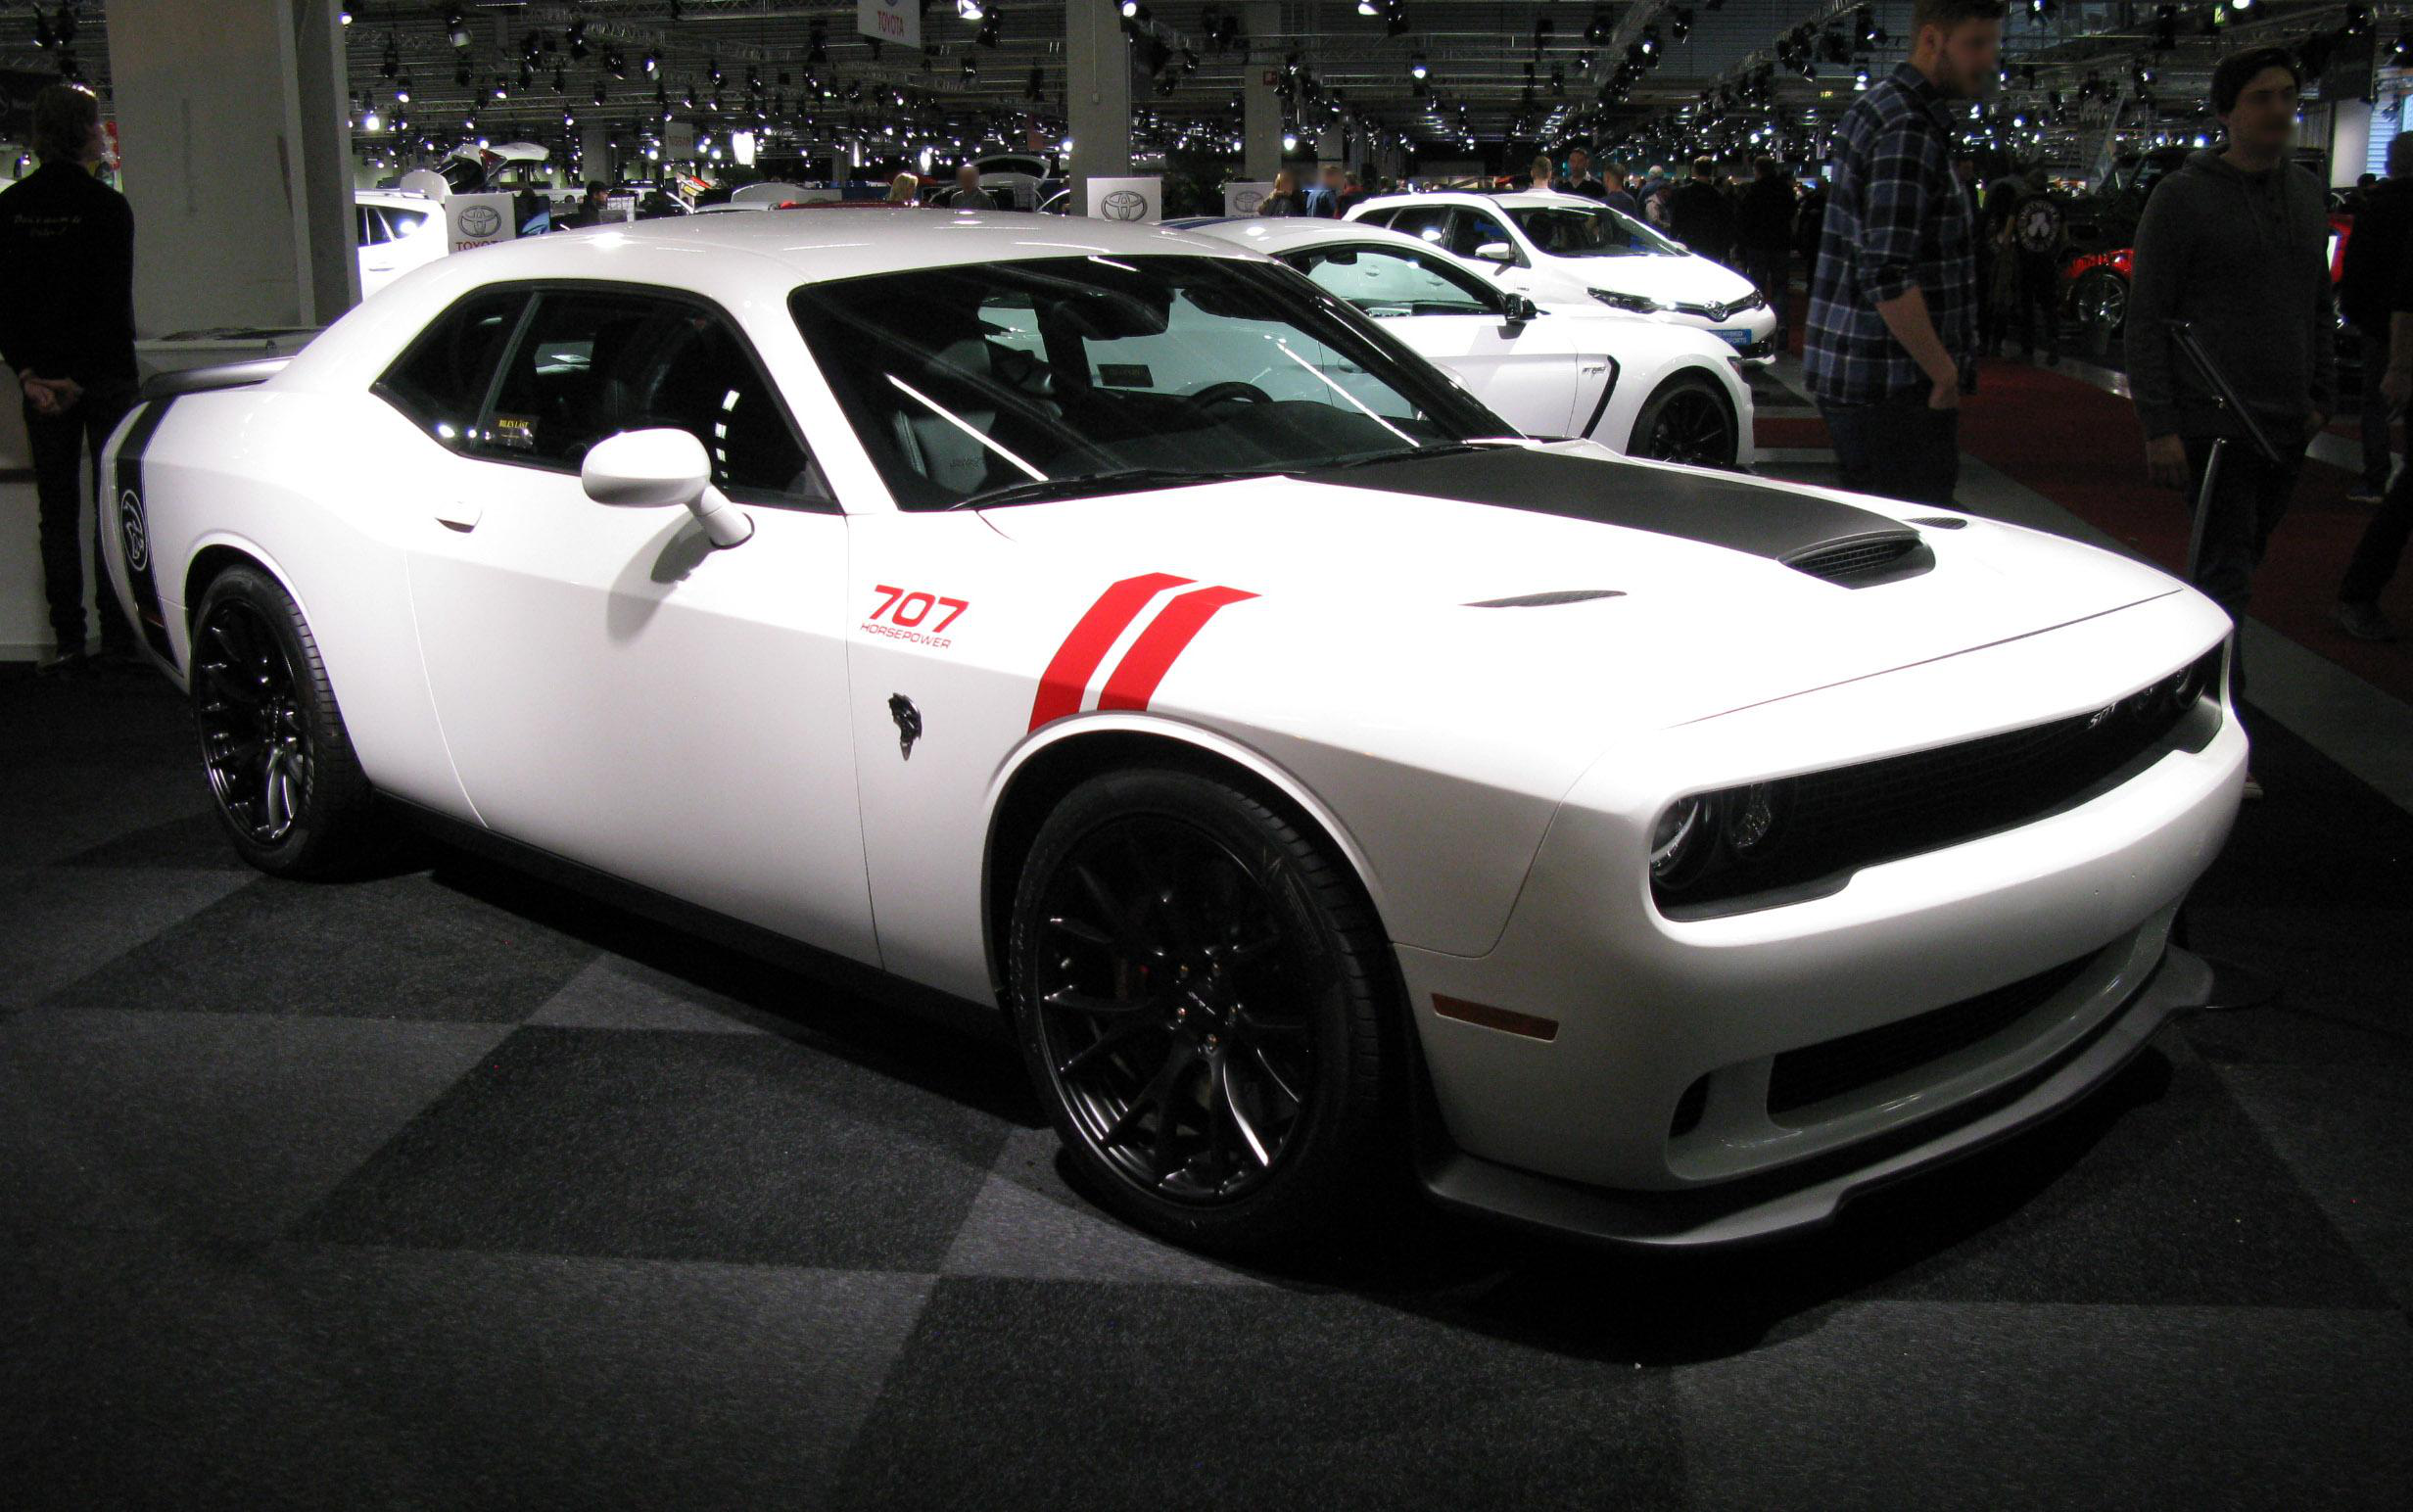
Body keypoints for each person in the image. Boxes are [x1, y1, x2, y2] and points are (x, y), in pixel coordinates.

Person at [2128, 45, 2336, 766]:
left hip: (2288, 423)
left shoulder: (2308, 195)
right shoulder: (2183, 198)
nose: (2279, 109)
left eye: (2287, 95)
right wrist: (2159, 426)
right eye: (2262, 97)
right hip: (2213, 423)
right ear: (2227, 111)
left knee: (2244, 560)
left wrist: (2320, 398)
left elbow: (2318, 304)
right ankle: (2222, 733)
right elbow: (2147, 314)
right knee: (2225, 579)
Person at [1803, 0, 2000, 506]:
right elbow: (1888, 272)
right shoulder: (1907, 128)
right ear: (1932, 40)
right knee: (1911, 546)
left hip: (1873, 376)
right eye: (1976, 44)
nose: (1990, 59)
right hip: (1892, 385)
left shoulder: (1888, 109)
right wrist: (1943, 372)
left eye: (1993, 44)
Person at [0, 83, 138, 677]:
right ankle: (118, 639)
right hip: (101, 377)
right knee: (110, 505)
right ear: (86, 131)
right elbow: (110, 305)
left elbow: (5, 304)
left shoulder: (9, 209)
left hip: (39, 381)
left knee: (55, 513)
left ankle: (67, 642)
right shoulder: (108, 209)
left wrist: (30, 372)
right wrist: (81, 377)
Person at [2339, 133, 2412, 504]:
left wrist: (2352, 310)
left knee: (2375, 402)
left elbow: (2358, 265)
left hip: (2379, 322)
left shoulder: (2377, 207)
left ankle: (2374, 478)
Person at [2008, 168, 2066, 364]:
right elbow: (2064, 236)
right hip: (2047, 261)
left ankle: (2027, 349)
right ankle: (2053, 341)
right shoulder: (2056, 205)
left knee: (2027, 306)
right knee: (2049, 305)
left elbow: (2008, 233)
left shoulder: (2020, 204)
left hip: (2025, 261)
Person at [1736, 158, 1796, 348]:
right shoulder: (1785, 190)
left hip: (1757, 245)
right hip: (1781, 244)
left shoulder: (1753, 191)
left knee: (1758, 289)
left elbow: (1744, 219)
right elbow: (1791, 213)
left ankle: (1760, 330)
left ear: (1757, 170)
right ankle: (1783, 327)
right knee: (1781, 288)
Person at [1668, 157, 1736, 263]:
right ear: (1711, 171)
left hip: (1688, 243)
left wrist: (1672, 240)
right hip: (1712, 246)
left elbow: (1676, 220)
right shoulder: (1718, 197)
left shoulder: (1683, 194)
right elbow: (1725, 226)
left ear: (1694, 171)